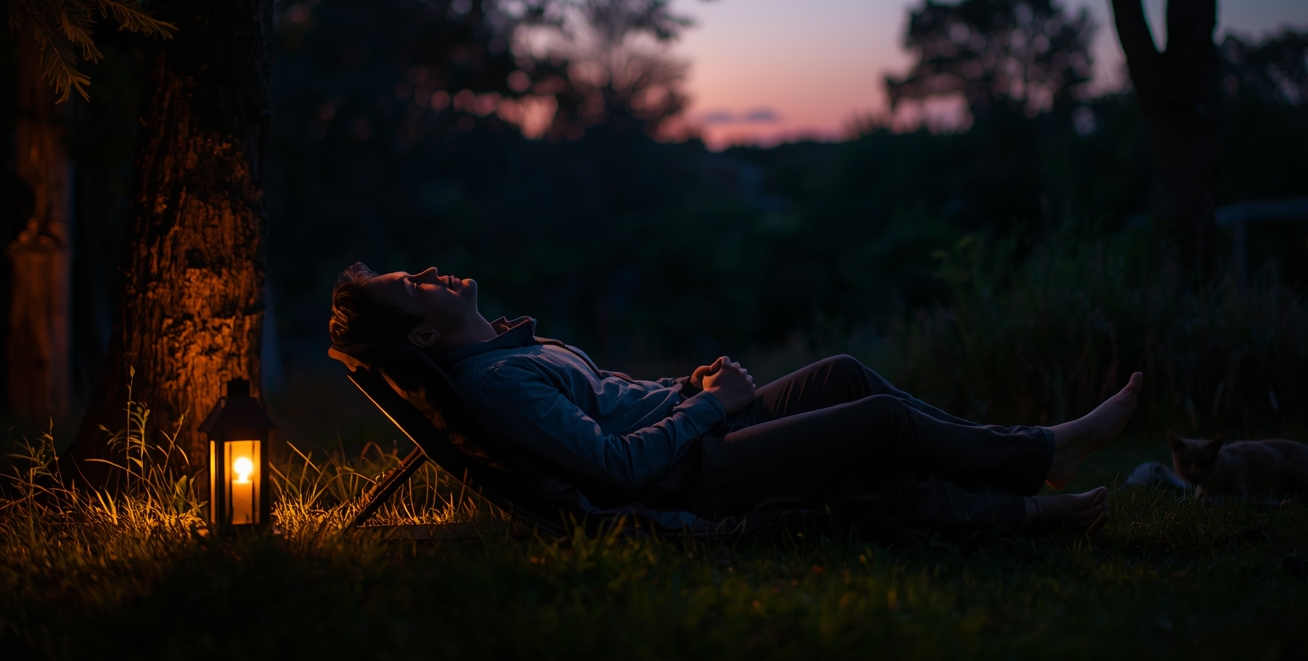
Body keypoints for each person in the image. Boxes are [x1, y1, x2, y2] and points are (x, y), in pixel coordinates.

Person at [329, 263, 1143, 534]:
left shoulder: (515, 346)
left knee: (845, 375)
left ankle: (1028, 459)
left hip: (696, 427)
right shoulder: (499, 383)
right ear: (426, 338)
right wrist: (711, 409)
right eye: (417, 285)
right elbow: (613, 470)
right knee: (877, 424)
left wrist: (691, 387)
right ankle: (1035, 476)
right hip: (690, 474)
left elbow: (617, 407)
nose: (434, 272)